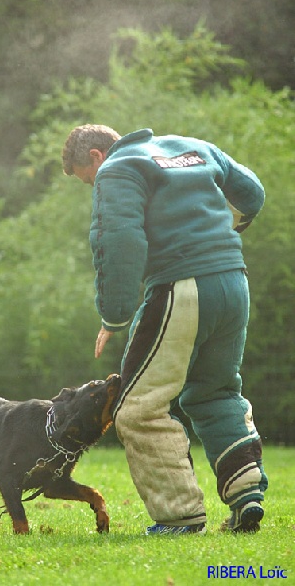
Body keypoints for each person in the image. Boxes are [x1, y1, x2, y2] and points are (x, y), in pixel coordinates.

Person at [62, 124, 268, 535]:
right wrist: (228, 228)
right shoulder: (192, 146)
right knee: (216, 392)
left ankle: (179, 516)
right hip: (233, 281)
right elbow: (253, 194)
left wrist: (114, 315)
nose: (94, 185)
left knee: (137, 408)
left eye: (88, 180)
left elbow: (118, 240)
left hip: (181, 287)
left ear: (96, 157)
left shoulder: (117, 168)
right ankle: (247, 495)